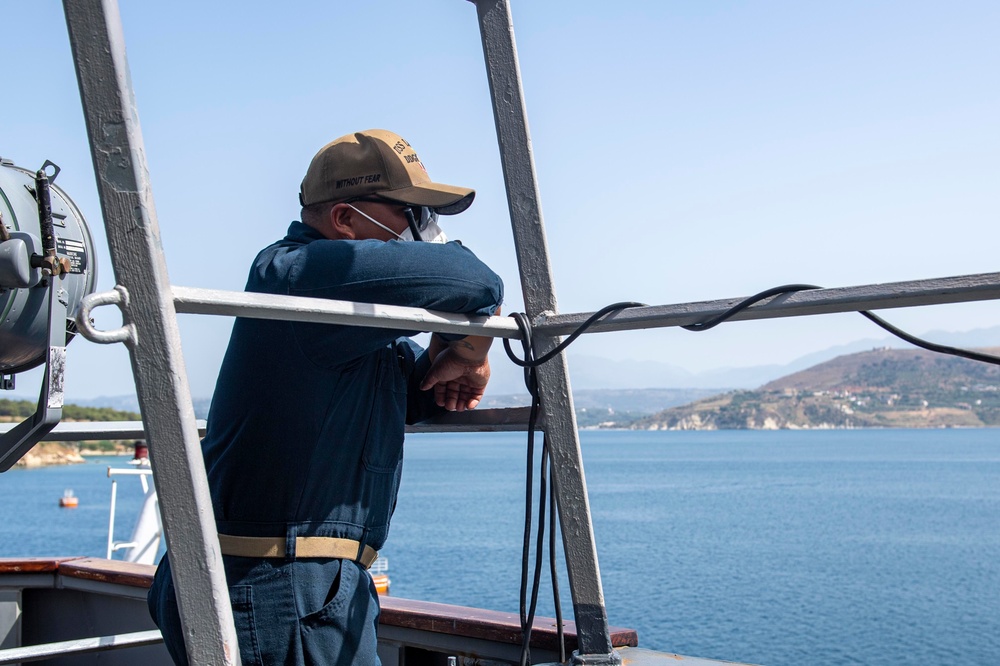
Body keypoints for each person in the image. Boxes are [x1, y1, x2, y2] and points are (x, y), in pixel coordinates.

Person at [148, 129, 504, 664]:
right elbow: (476, 279)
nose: (424, 235)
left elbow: (417, 394)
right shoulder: (302, 275)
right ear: (344, 219)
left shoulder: (348, 320)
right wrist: (472, 346)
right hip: (277, 583)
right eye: (413, 216)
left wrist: (456, 360)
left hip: (291, 581)